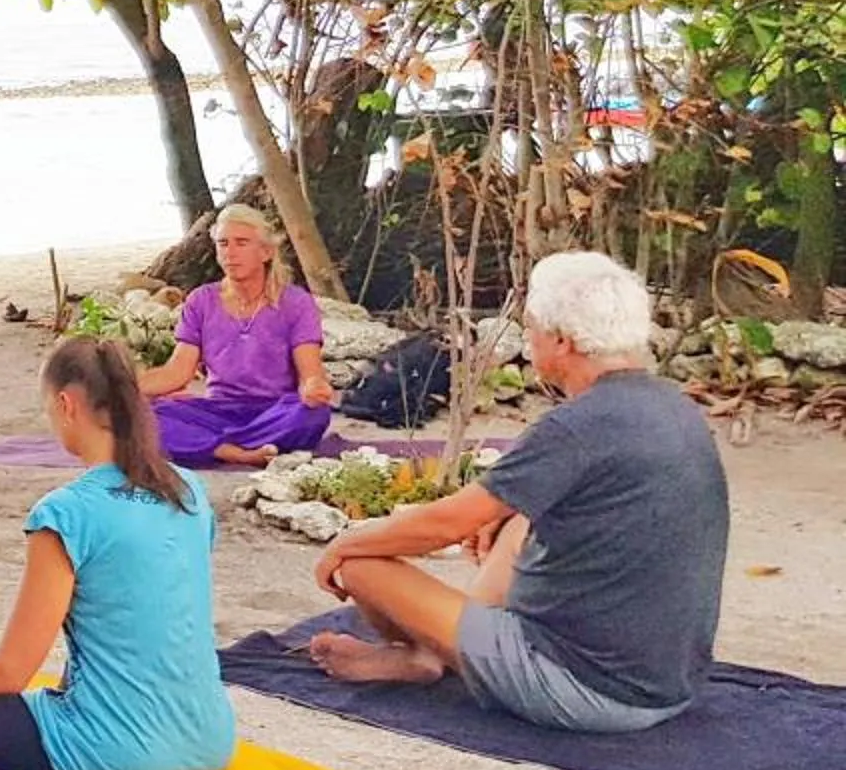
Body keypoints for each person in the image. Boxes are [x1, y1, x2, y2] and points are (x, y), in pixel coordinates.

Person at [306, 251, 727, 733]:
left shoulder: (576, 427)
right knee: (517, 514)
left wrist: (345, 542)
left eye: (531, 329)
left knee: (361, 564)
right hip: (668, 684)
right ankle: (435, 648)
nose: (527, 342)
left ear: (562, 343)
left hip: (586, 687)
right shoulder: (673, 404)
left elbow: (443, 525)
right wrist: (502, 517)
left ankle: (424, 654)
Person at [0, 335, 236, 770]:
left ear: (66, 405)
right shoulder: (187, 489)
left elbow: (11, 671)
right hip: (210, 738)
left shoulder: (65, 514)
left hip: (115, 753)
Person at [140, 202, 338, 467]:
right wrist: (123, 389)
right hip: (220, 409)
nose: (230, 253)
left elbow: (310, 373)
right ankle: (240, 453)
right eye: (223, 244)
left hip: (275, 410)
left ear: (266, 252)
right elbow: (178, 371)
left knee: (313, 414)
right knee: (145, 416)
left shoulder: (296, 302)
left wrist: (314, 387)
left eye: (241, 243)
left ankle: (211, 445)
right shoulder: (201, 301)